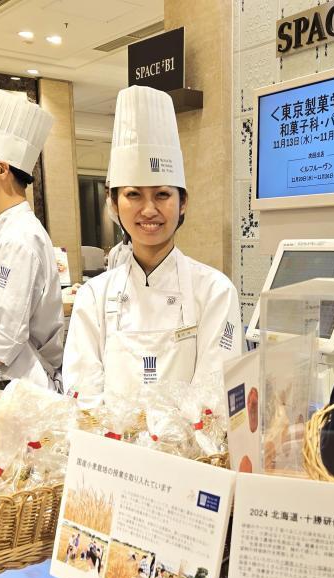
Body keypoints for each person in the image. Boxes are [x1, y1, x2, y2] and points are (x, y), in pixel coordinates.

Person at [62, 86, 240, 407]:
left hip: (187, 455)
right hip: (111, 453)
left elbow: (214, 396)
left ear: (182, 201)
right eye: (133, 195)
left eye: (162, 194)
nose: (148, 210)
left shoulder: (214, 291)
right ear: (113, 203)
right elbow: (82, 394)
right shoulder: (94, 296)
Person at [0, 85, 64, 388]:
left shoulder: (19, 237)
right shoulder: (4, 228)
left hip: (26, 387)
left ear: (2, 169)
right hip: (10, 381)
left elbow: (8, 333)